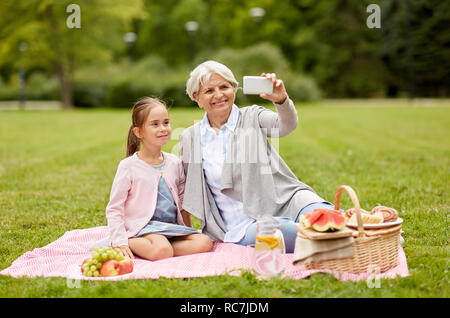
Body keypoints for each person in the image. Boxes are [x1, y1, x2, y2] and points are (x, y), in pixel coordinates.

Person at [180, 60, 337, 253]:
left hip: (285, 199)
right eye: (209, 91)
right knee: (298, 232)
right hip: (242, 223)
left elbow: (285, 126)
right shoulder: (190, 137)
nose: (219, 95)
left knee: (327, 218)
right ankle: (349, 239)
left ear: (234, 89)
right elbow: (185, 186)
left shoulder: (252, 115)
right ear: (197, 98)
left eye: (224, 87)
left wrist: (281, 100)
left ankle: (365, 228)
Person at [103, 97, 213, 261]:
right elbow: (114, 208)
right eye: (155, 124)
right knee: (161, 247)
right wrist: (120, 241)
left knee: (205, 242)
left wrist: (186, 230)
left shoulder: (174, 162)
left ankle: (163, 250)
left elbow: (182, 201)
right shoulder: (128, 166)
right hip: (145, 228)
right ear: (138, 132)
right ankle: (129, 242)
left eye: (166, 122)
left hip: (171, 227)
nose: (163, 128)